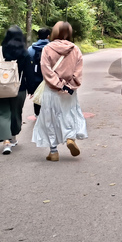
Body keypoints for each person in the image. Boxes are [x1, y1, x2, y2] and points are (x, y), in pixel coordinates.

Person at [31, 21, 88, 161]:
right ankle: (69, 137)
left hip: (51, 90)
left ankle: (53, 151)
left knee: (50, 118)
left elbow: (46, 69)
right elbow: (78, 71)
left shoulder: (47, 48)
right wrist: (69, 85)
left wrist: (58, 84)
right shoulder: (75, 49)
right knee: (69, 113)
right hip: (69, 91)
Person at [0, 25, 36, 154]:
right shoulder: (24, 53)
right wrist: (32, 90)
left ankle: (6, 141)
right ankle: (12, 137)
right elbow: (29, 74)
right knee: (15, 113)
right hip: (18, 89)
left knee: (1, 114)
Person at [27, 26, 51, 117]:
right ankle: (48, 115)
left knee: (37, 95)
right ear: (48, 36)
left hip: (35, 76)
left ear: (38, 36)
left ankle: (37, 114)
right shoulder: (52, 48)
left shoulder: (30, 49)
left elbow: (28, 64)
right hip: (49, 76)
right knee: (49, 95)